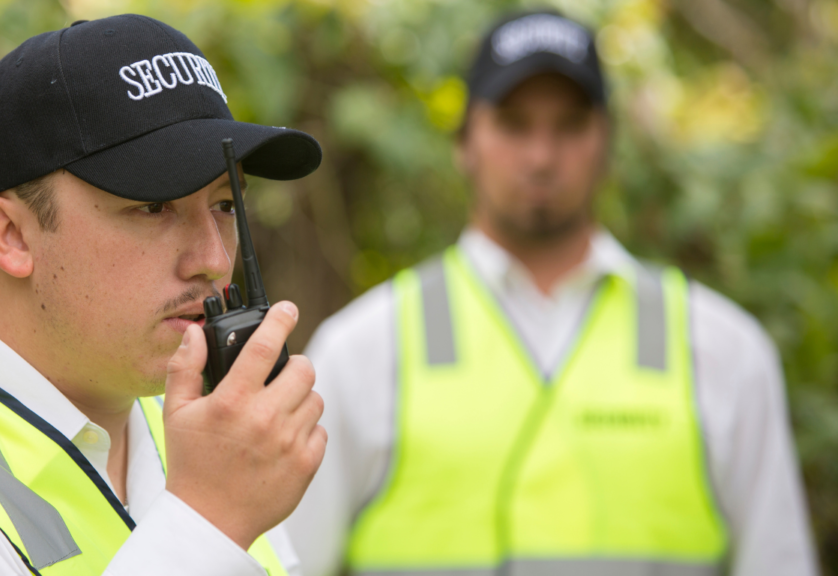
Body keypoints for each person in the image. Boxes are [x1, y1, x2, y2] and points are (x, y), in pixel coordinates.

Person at [286, 10, 818, 576]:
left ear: (606, 141)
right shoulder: (360, 350)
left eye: (568, 125)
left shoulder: (724, 350)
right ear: (464, 141)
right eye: (514, 124)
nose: (541, 156)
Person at [0, 14, 327, 576]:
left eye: (226, 206)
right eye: (154, 207)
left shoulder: (210, 424)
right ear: (10, 235)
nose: (212, 259)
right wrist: (207, 521)